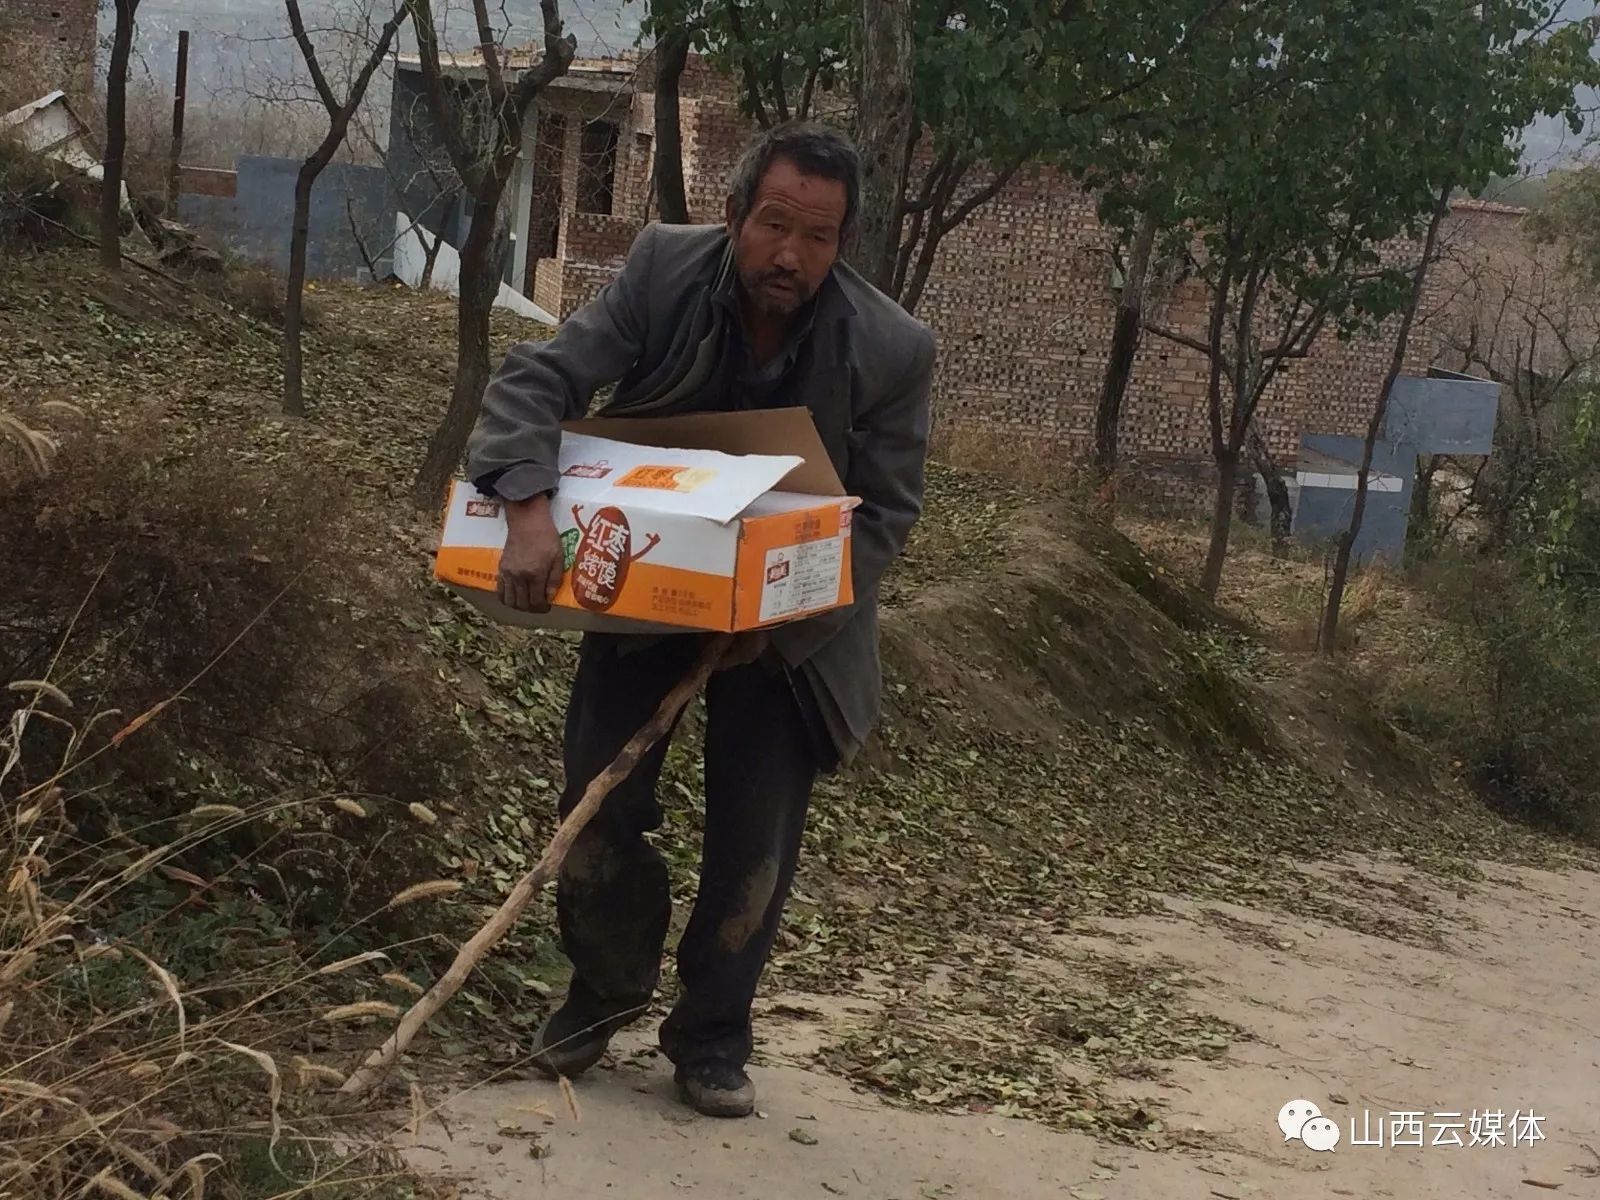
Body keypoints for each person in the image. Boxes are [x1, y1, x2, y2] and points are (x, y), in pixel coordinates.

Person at [463, 122, 936, 1118]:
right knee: (600, 802)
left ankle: (713, 1036)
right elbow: (538, 378)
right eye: (772, 225)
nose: (789, 255)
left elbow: (885, 517)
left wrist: (779, 609)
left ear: (841, 244)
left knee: (752, 838)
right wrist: (527, 510)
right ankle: (599, 995)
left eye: (817, 237)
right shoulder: (663, 274)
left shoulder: (890, 348)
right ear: (731, 218)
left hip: (791, 627)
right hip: (647, 586)